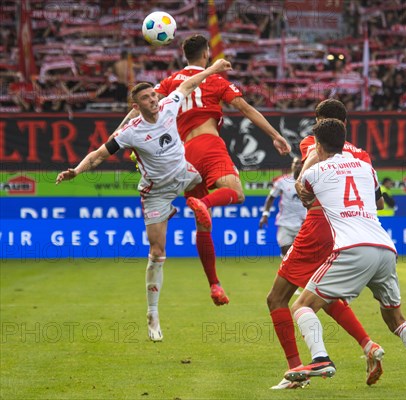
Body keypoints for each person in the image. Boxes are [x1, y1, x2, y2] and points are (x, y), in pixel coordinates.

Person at [55, 59, 233, 341]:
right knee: (158, 252)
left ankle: (213, 275)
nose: (153, 99)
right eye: (146, 98)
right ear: (136, 106)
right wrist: (76, 170)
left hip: (186, 174)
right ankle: (153, 314)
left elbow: (187, 85)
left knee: (228, 189)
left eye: (153, 95)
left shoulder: (169, 105)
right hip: (157, 192)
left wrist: (212, 69)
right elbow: (99, 154)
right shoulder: (130, 132)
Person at [118, 34, 291, 306]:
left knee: (203, 223)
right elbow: (245, 108)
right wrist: (275, 135)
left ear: (184, 55)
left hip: (182, 156)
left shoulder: (170, 82)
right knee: (235, 192)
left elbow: (138, 111)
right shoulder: (216, 80)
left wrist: (117, 134)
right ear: (206, 54)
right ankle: (204, 201)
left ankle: (214, 284)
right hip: (208, 143)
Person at [284, 119, 406, 392]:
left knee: (302, 305)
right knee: (396, 319)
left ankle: (320, 359)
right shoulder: (366, 168)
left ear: (317, 144)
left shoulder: (316, 170)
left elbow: (302, 192)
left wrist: (312, 159)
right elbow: (377, 201)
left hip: (351, 248)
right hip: (384, 248)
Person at [267, 99, 384, 390]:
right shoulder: (361, 155)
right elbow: (378, 201)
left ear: (319, 122)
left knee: (277, 298)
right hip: (349, 231)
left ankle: (296, 370)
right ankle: (368, 345)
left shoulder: (314, 142)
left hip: (319, 224)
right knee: (324, 296)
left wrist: (304, 189)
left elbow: (304, 177)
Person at [259, 157, 306, 257]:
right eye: (295, 163)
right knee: (286, 251)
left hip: (303, 224)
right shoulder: (283, 181)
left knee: (303, 254)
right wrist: (265, 215)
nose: (297, 166)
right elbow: (270, 198)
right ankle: (290, 271)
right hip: (285, 222)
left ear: (304, 166)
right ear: (292, 165)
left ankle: (300, 272)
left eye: (300, 164)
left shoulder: (308, 181)